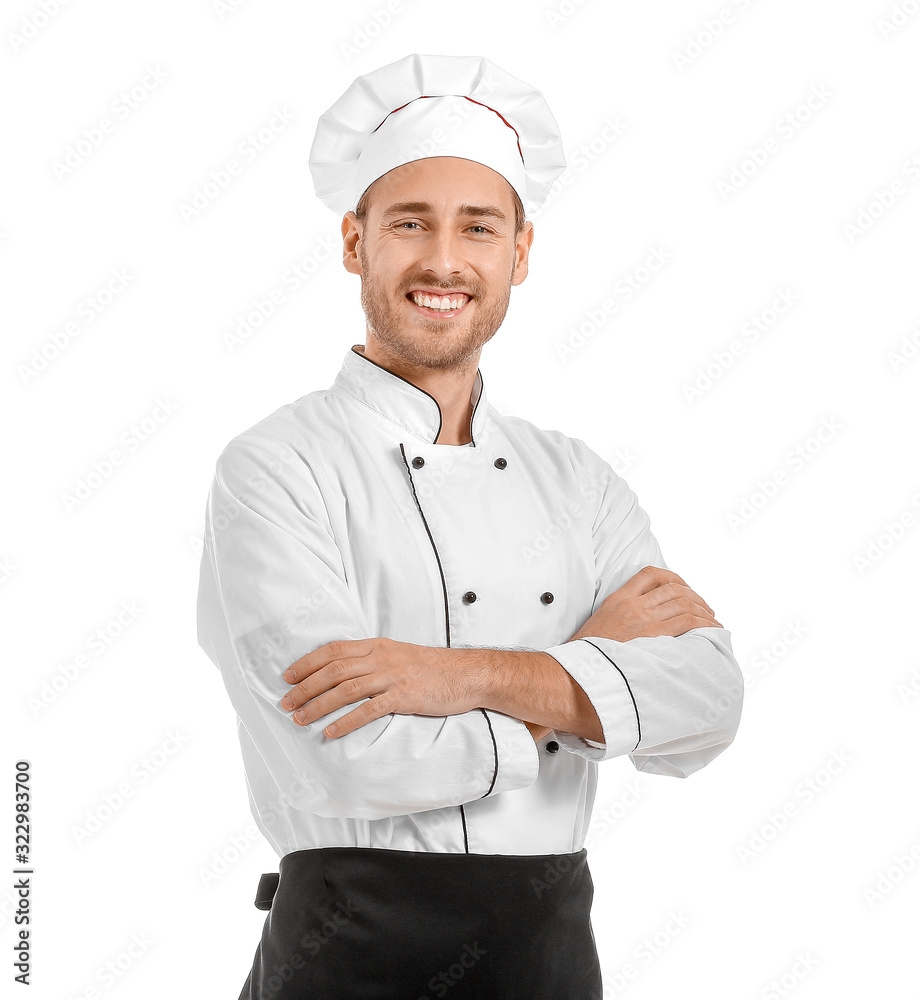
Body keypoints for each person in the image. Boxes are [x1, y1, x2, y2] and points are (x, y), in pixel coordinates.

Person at [196, 52, 744, 1000]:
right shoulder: (274, 467)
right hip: (346, 949)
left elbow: (705, 706)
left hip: (551, 955)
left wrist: (453, 674)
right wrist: (589, 678)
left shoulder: (580, 480)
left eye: (478, 228)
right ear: (354, 241)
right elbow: (355, 758)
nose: (444, 261)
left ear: (519, 254)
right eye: (410, 223)